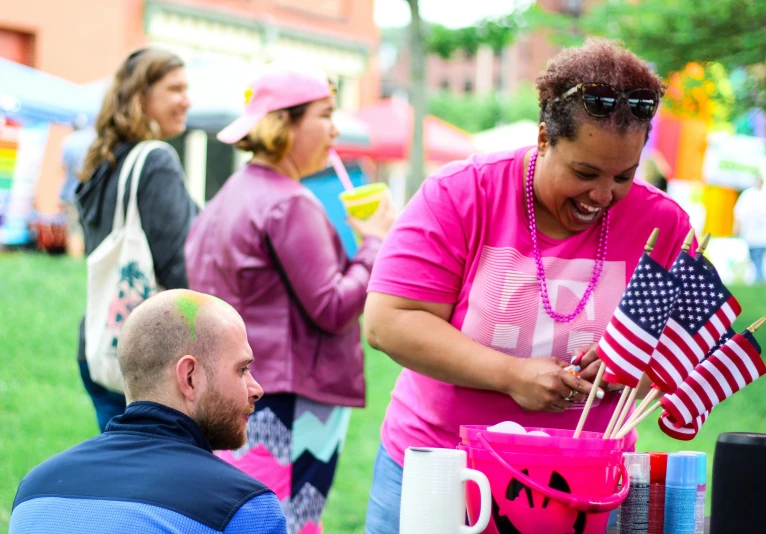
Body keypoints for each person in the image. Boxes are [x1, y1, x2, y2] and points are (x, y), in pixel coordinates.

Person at [362, 38, 696, 533]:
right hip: (445, 471)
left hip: (584, 485)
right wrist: (511, 375)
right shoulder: (460, 195)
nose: (602, 196)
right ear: (544, 138)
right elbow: (389, 322)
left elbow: (681, 351)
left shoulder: (662, 224)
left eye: (623, 176)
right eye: (585, 172)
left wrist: (627, 369)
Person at [185, 61, 395, 534]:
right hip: (289, 401)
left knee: (238, 518)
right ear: (285, 124)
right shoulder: (290, 203)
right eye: (325, 114)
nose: (335, 128)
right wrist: (376, 242)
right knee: (288, 521)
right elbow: (333, 306)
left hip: (230, 391)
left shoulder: (227, 198)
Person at [10, 290, 287, 533]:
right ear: (189, 377)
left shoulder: (33, 491)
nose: (256, 388)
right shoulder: (244, 510)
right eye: (241, 369)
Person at [75, 48, 198, 432]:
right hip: (150, 360)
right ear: (141, 96)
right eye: (175, 89)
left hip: (101, 344)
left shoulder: (103, 161)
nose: (186, 100)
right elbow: (179, 267)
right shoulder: (156, 160)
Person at [59, 114, 95, 257]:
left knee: (74, 228)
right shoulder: (93, 140)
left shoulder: (68, 141)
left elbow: (63, 167)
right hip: (91, 192)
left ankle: (75, 259)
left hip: (71, 192)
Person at [733, 162, 766, 283]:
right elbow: (739, 215)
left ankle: (759, 282)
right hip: (751, 235)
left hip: (759, 236)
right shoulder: (749, 195)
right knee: (755, 261)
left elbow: (738, 214)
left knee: (756, 261)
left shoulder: (750, 195)